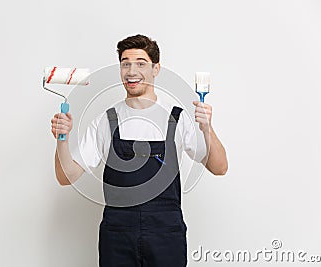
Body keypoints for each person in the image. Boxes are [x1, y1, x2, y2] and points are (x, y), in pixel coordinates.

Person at [51, 34, 228, 267]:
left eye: (140, 63)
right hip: (117, 236)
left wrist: (207, 128)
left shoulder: (176, 117)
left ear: (156, 68)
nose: (131, 71)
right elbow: (66, 176)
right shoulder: (106, 120)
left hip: (166, 234)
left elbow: (219, 167)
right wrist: (61, 140)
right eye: (125, 63)